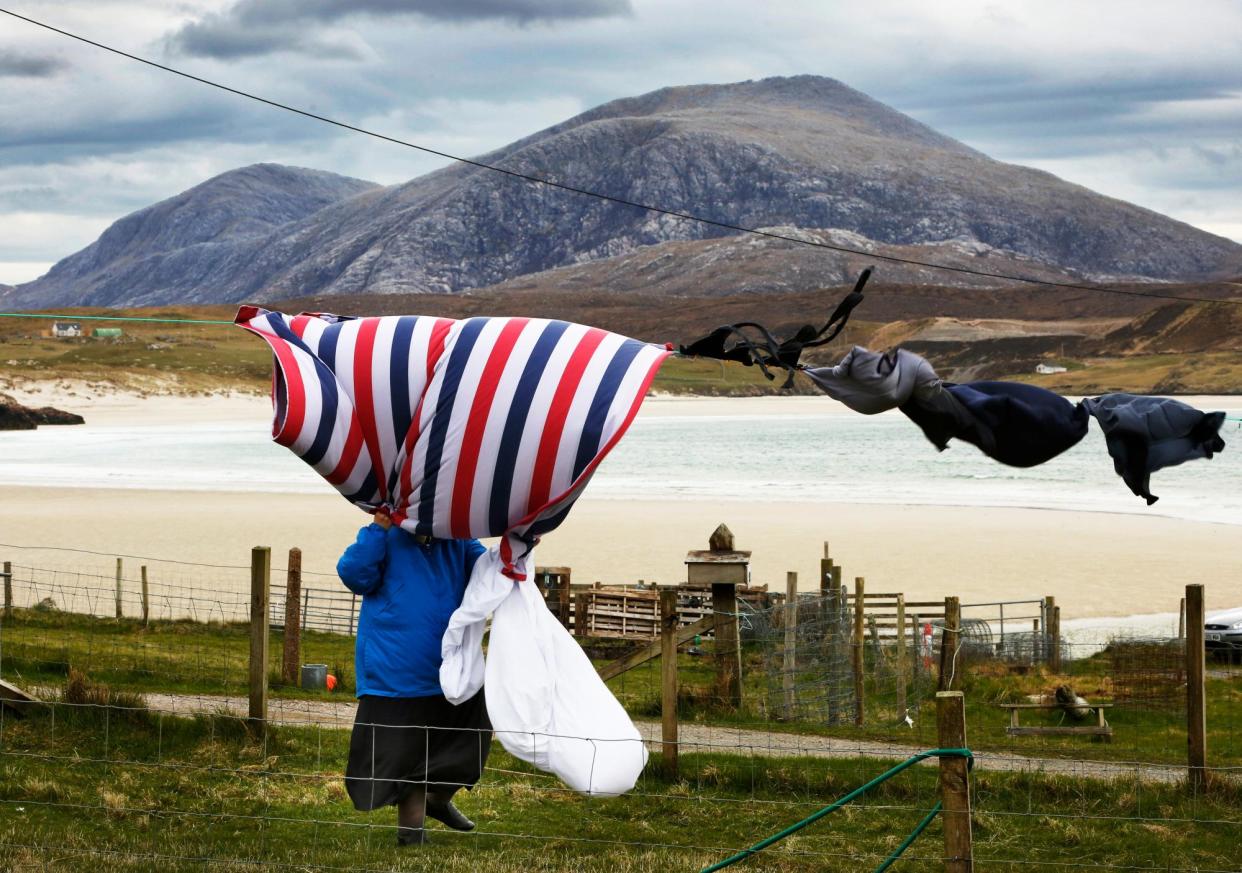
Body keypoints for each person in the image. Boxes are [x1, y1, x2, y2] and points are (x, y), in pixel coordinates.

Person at [338, 510, 490, 846]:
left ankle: (438, 799)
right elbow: (353, 575)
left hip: (449, 669)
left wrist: (517, 548)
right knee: (406, 760)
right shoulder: (384, 536)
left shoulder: (456, 536)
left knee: (472, 737)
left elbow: (486, 571)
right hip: (394, 670)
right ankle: (411, 837)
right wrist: (378, 529)